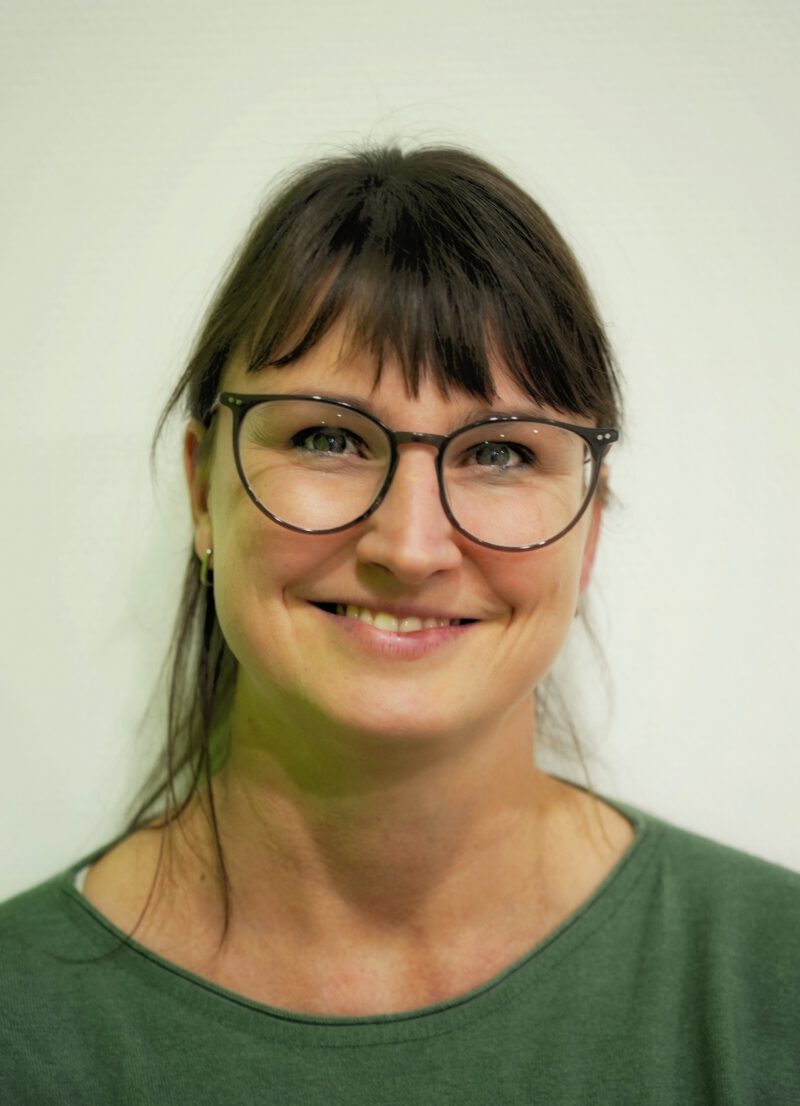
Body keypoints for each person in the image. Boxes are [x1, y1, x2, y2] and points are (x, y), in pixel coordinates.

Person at [1, 143, 798, 1105]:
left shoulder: (774, 981)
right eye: (327, 437)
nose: (411, 548)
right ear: (204, 493)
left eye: (499, 453)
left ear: (589, 526)